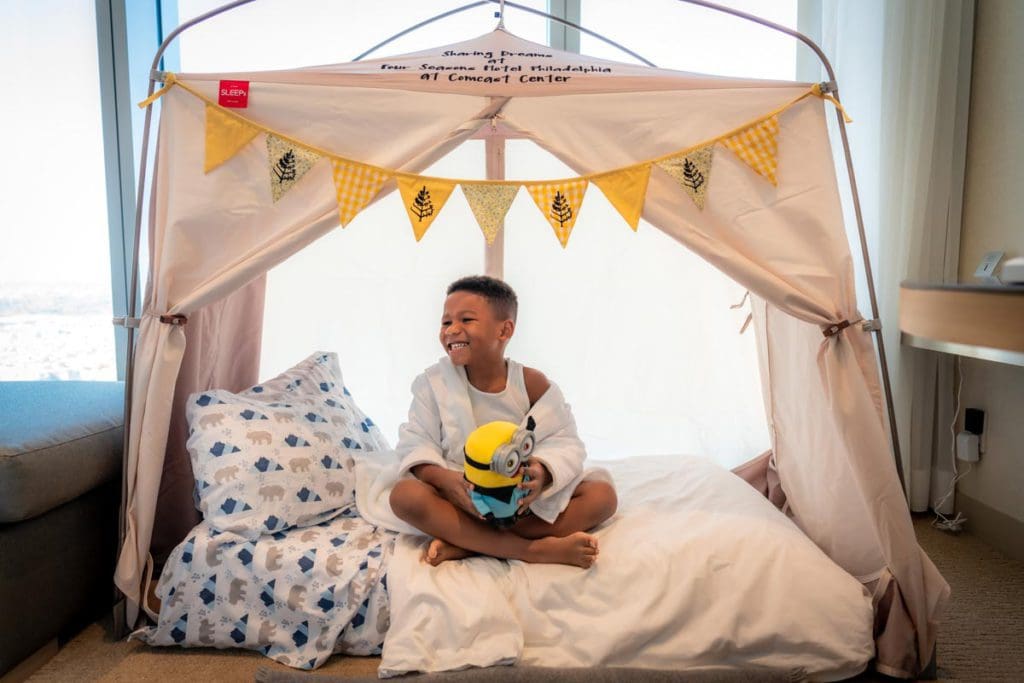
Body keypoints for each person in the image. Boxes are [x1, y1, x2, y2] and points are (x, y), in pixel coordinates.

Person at [388, 275, 617, 568]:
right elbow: (416, 442)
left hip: (519, 500)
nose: (452, 330)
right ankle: (532, 550)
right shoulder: (432, 384)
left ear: (504, 329)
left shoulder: (532, 384)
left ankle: (472, 545)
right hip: (464, 496)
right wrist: (446, 481)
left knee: (603, 495)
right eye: (446, 323)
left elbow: (565, 441)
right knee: (405, 496)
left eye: (466, 320)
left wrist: (543, 472)